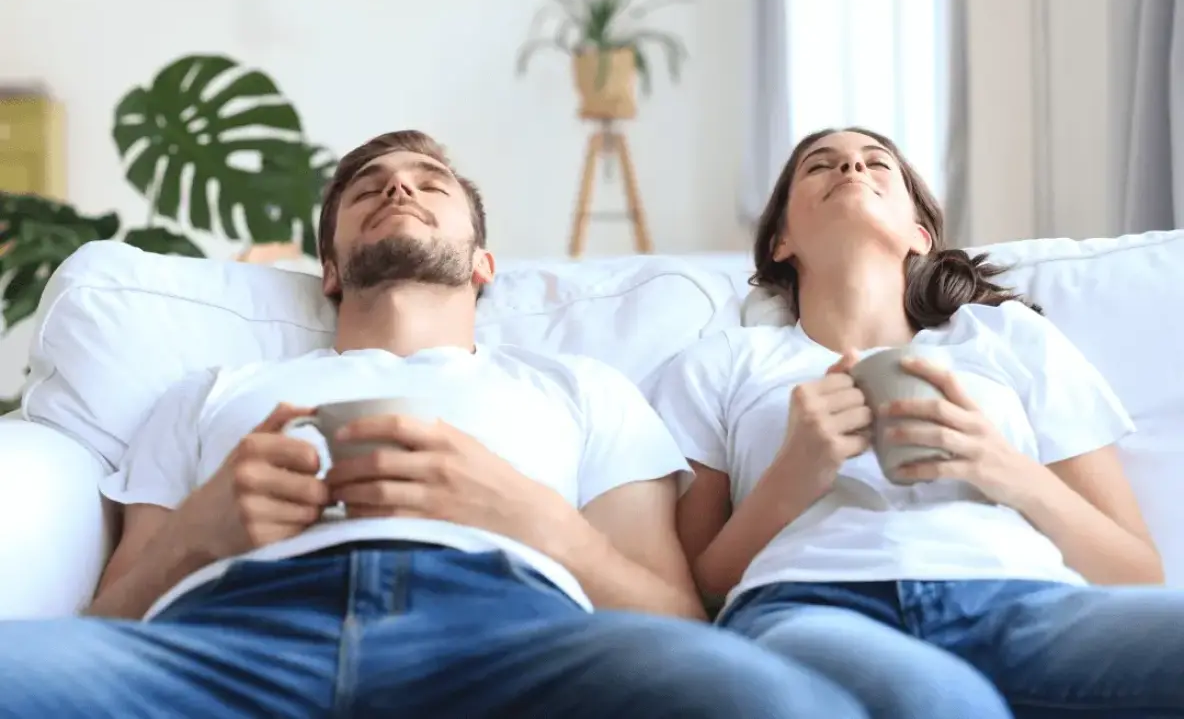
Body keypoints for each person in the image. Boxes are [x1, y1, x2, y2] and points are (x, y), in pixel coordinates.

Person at [0, 130, 869, 719]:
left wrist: (526, 517)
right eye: (368, 188)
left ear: (484, 264)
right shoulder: (210, 390)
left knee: (784, 703)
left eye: (429, 183)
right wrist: (202, 531)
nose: (398, 188)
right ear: (331, 270)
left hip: (511, 639)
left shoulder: (580, 387)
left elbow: (675, 616)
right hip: (228, 641)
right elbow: (108, 616)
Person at [650, 127, 1184, 719]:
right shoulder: (723, 361)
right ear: (780, 240)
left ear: (919, 235)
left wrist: (1001, 467)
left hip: (1023, 599)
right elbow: (696, 591)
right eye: (819, 166)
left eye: (877, 163)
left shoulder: (1008, 336)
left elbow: (1137, 571)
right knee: (944, 704)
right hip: (813, 604)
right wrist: (792, 475)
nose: (851, 167)